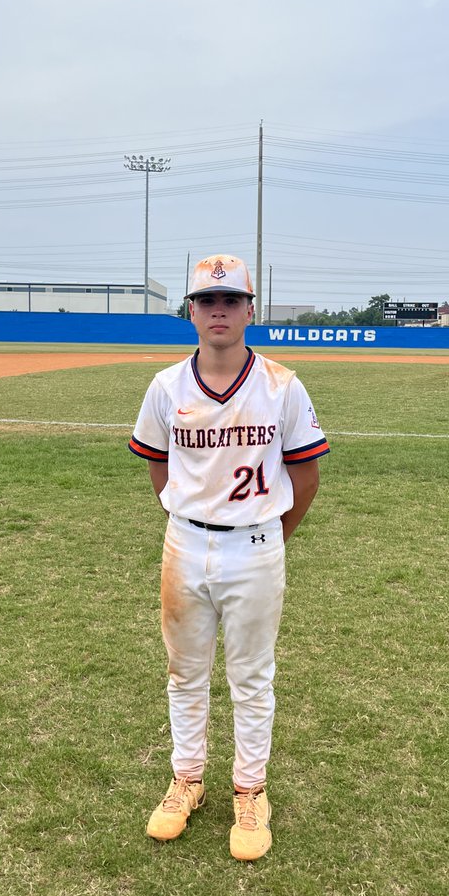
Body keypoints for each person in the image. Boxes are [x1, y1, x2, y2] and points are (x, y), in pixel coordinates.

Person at [129, 254, 329, 860]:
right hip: (185, 543)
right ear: (191, 311)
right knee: (184, 674)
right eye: (206, 302)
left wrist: (271, 537)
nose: (218, 312)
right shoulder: (167, 386)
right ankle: (187, 779)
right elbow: (158, 462)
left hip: (257, 544)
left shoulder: (280, 384)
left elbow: (307, 473)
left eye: (230, 302)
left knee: (251, 677)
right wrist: (181, 514)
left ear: (249, 310)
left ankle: (250, 789)